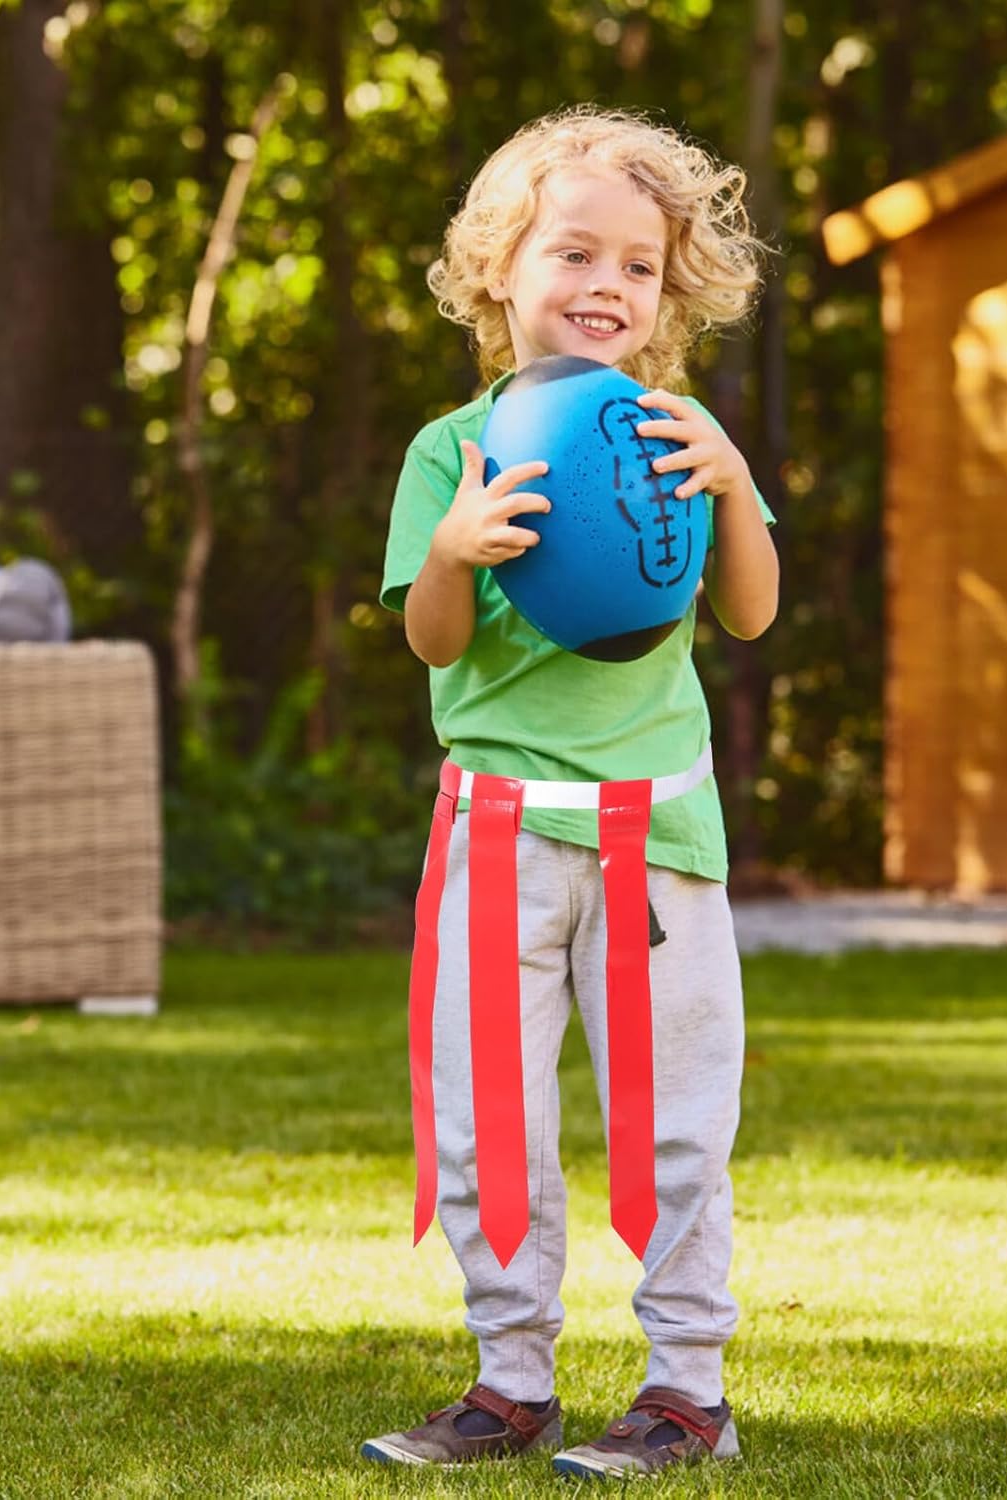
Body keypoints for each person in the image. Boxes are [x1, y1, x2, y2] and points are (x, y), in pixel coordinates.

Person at [363, 105, 778, 1478]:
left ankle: (686, 1394)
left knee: (677, 1123)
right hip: (496, 837)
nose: (608, 285)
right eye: (574, 252)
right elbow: (433, 645)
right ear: (501, 268)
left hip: (656, 838)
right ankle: (511, 1381)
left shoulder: (681, 433)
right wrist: (453, 550)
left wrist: (733, 486)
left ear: (671, 291)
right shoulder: (452, 448)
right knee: (490, 1122)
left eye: (639, 265)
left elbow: (751, 613)